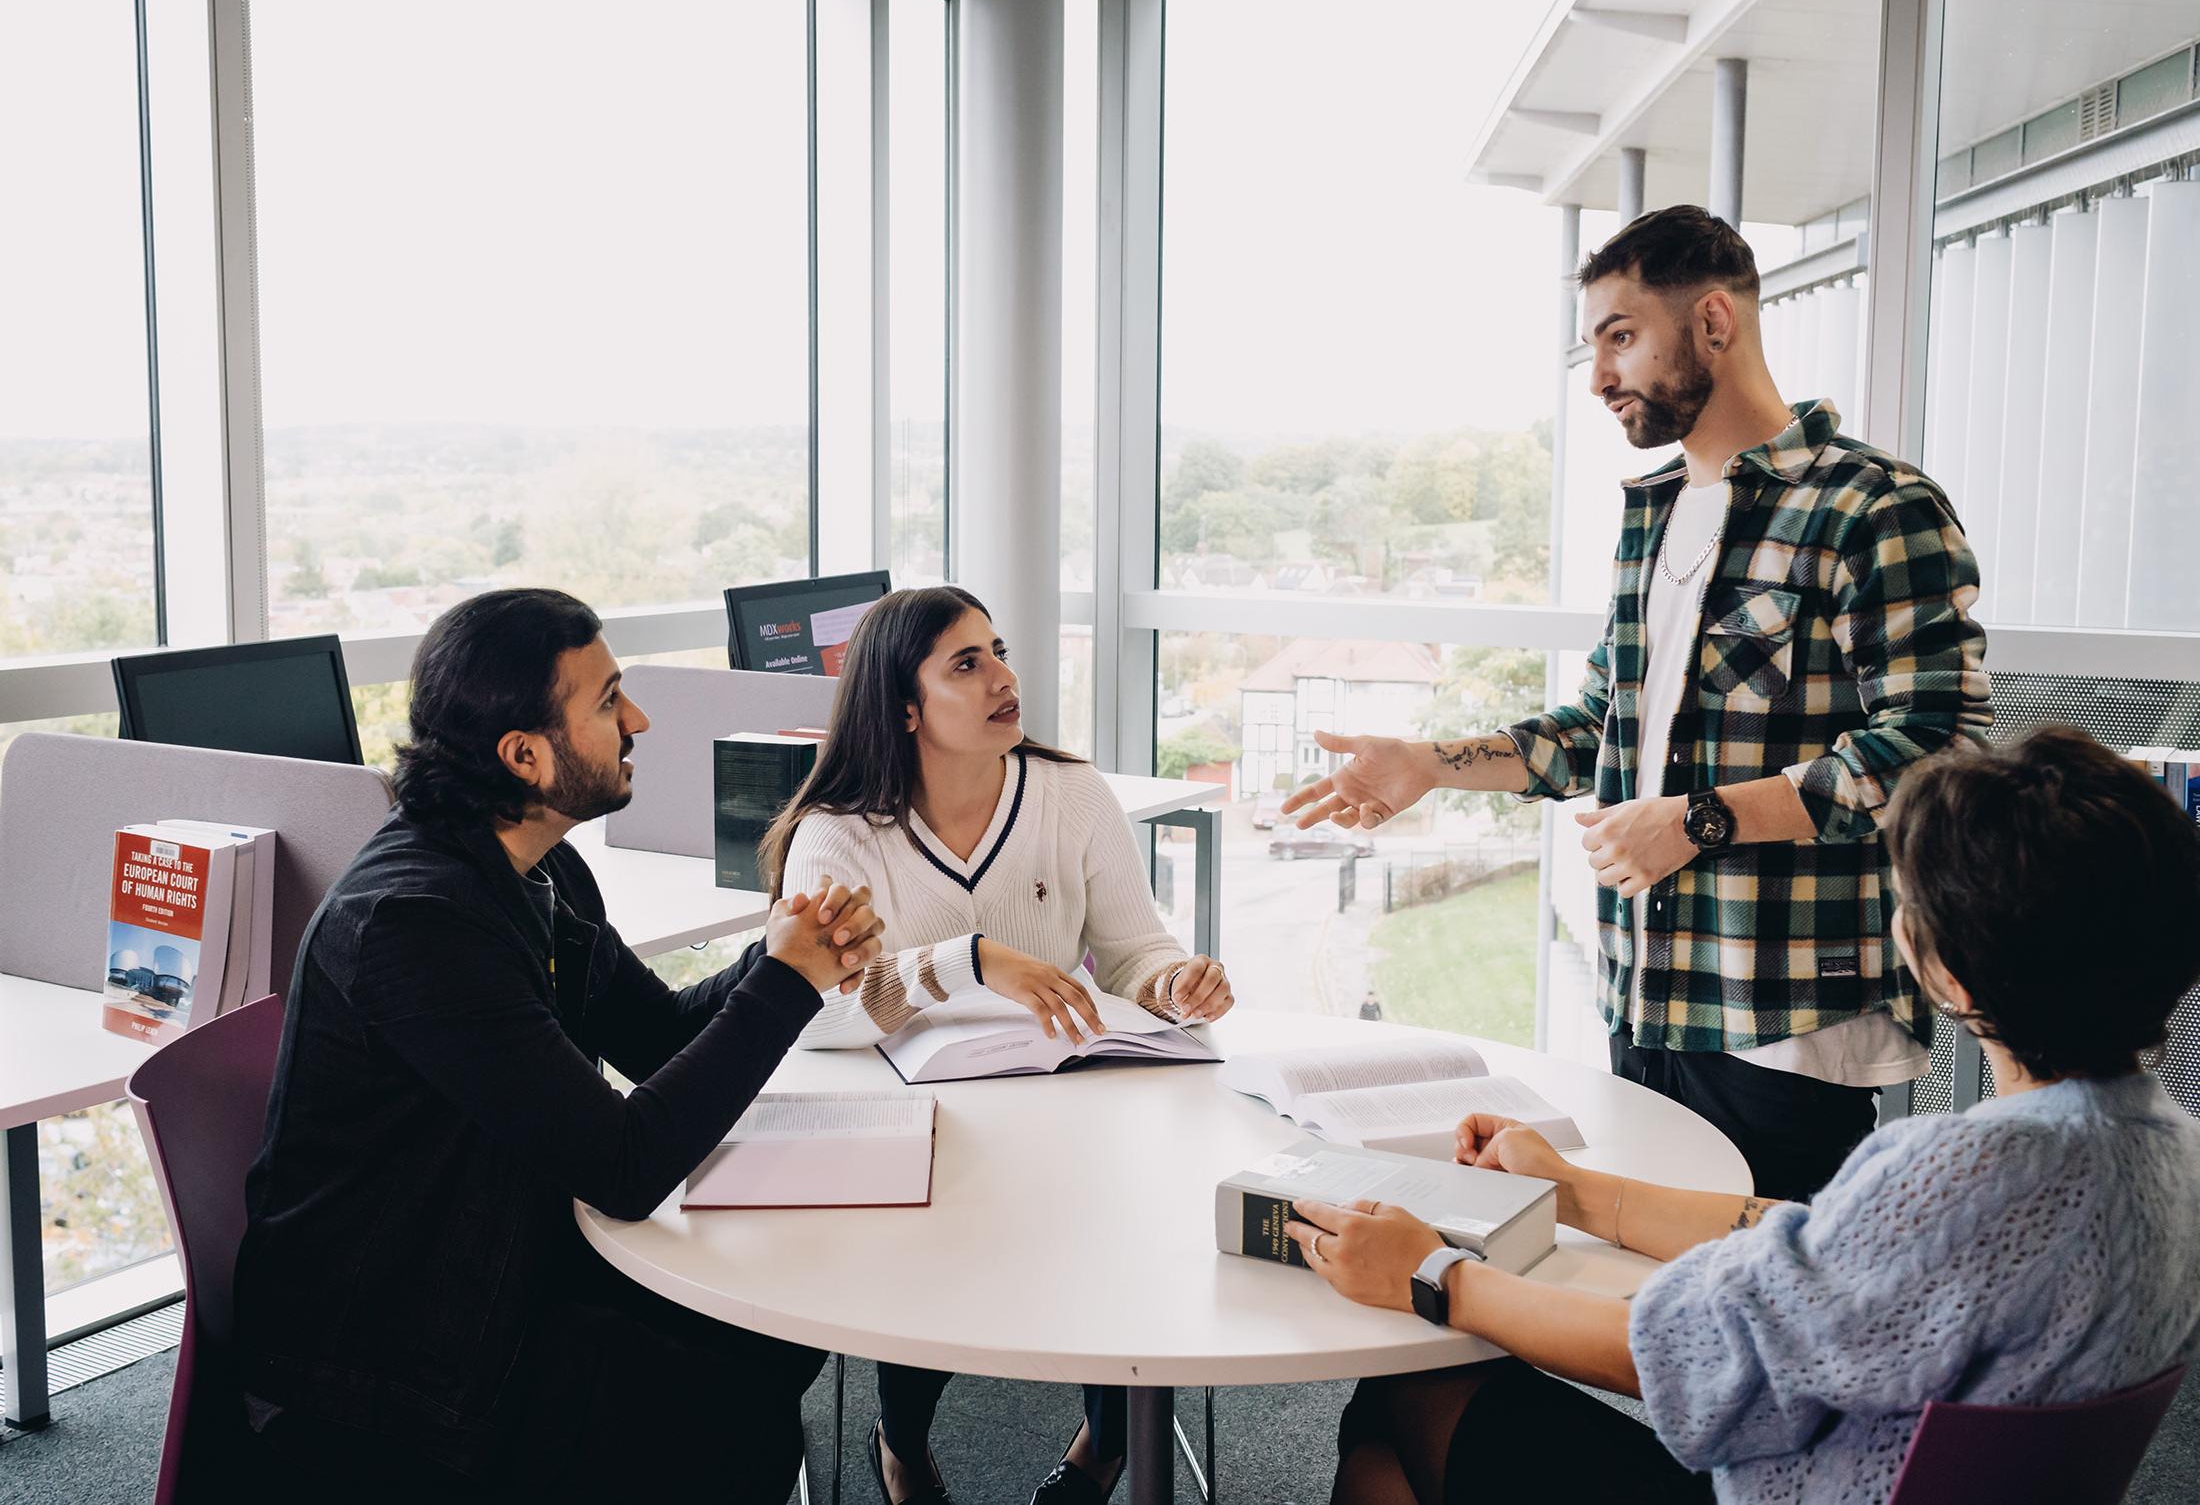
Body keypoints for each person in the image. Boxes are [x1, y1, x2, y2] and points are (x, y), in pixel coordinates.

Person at [1287, 726, 2200, 1504]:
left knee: (1404, 1395)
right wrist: (1574, 1190)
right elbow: (1813, 1244)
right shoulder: (2166, 1148)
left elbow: (1678, 1358)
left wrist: (1431, 1274)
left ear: (1945, 968)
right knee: (1393, 1454)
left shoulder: (1956, 1172)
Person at [1285, 205, 1992, 1201]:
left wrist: (1702, 820)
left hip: (1787, 1012)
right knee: (1655, 1295)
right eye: (1592, 346)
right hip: (1649, 992)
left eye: (1620, 336)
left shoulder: (1873, 505)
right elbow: (1596, 729)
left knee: (1761, 1312)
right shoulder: (1653, 514)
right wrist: (1428, 764)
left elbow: (1937, 745)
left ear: (1713, 322)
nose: (1599, 376)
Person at [234, 588, 888, 1503]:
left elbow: (656, 1036)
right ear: (525, 755)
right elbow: (625, 1164)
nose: (639, 720)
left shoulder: (541, 868)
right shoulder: (413, 923)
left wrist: (781, 950)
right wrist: (785, 983)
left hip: (495, 1260)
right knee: (731, 1396)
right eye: (609, 700)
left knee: (775, 1325)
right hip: (388, 1359)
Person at [760, 584, 1237, 1505]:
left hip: (1074, 1101)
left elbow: (1135, 946)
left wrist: (1173, 981)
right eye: (966, 665)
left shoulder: (1069, 793)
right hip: (922, 1122)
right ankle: (900, 1444)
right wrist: (963, 964)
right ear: (903, 704)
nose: (1004, 679)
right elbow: (816, 1011)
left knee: (1122, 1233)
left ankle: (1104, 1445)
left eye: (1000, 652)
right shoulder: (839, 836)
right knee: (926, 1254)